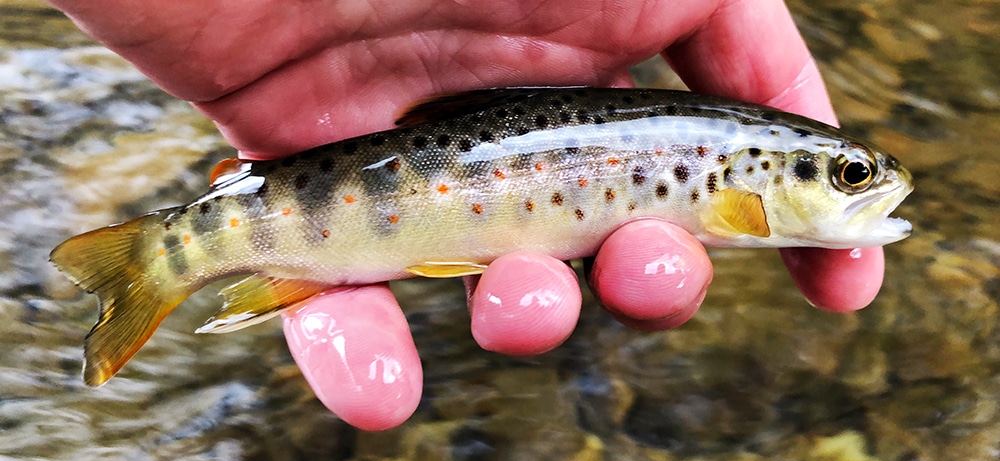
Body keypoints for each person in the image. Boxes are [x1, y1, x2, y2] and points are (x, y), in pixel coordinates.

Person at [50, 0, 886, 431]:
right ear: (759, 177)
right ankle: (159, 260)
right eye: (850, 174)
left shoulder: (719, 152)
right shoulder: (730, 170)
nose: (864, 188)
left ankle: (170, 257)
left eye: (853, 174)